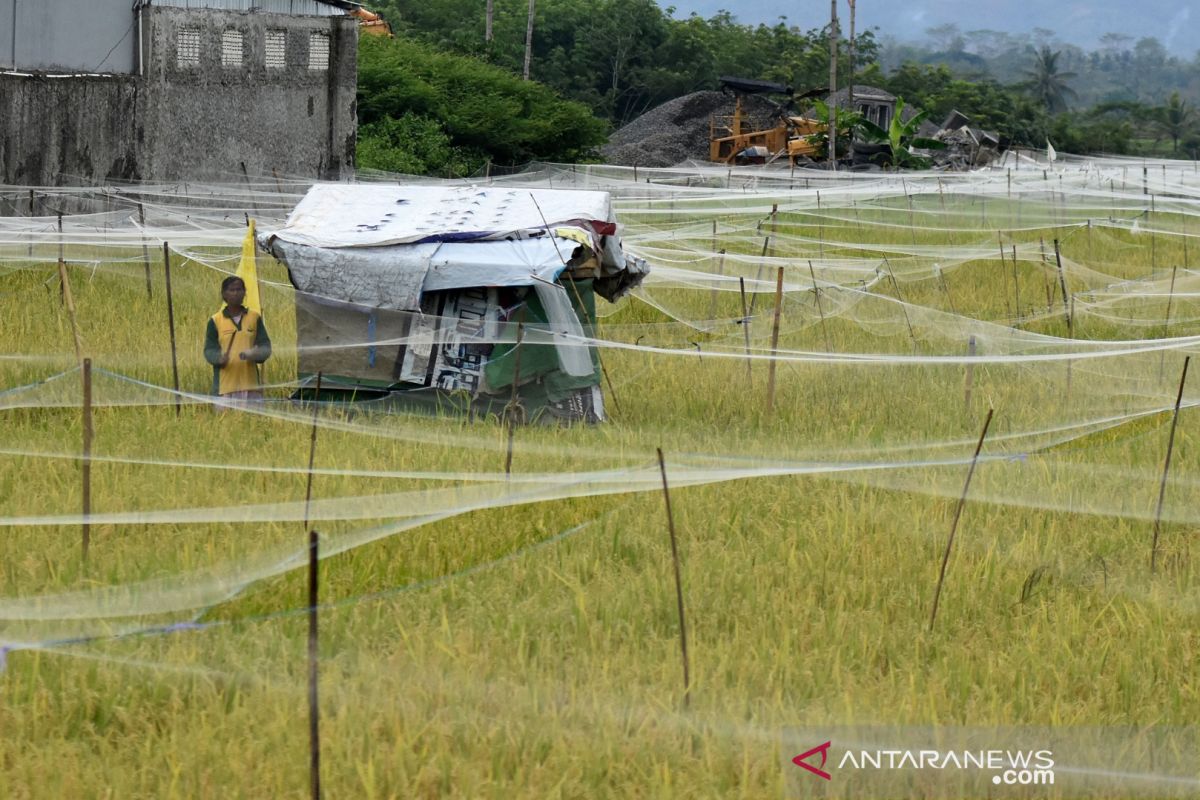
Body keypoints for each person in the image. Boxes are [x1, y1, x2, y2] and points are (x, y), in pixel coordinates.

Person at [204, 276, 271, 400]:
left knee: (253, 418)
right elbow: (209, 349)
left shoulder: (254, 318)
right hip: (224, 388)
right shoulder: (215, 320)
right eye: (231, 290)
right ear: (224, 294)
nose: (236, 293)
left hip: (251, 386)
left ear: (244, 292)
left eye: (239, 289)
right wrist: (219, 359)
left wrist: (255, 354)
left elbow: (265, 346)